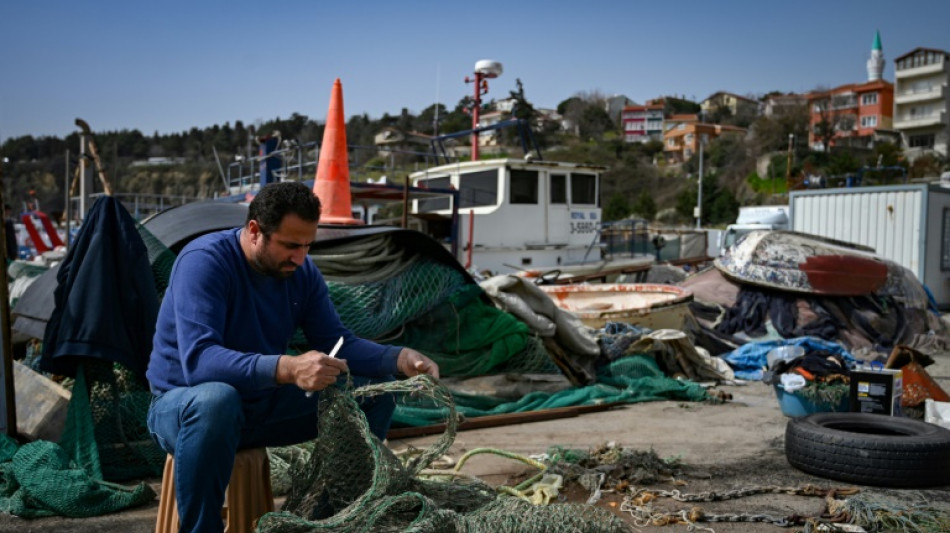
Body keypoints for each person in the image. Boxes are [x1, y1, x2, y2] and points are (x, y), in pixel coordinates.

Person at [146, 181, 439, 533]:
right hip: (184, 411)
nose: (299, 257)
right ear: (254, 231)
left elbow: (337, 343)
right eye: (289, 245)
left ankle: (333, 517)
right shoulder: (204, 262)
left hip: (259, 408)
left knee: (376, 391)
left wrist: (398, 358)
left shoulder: (301, 271)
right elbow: (200, 363)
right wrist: (288, 367)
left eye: (306, 246)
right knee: (216, 400)